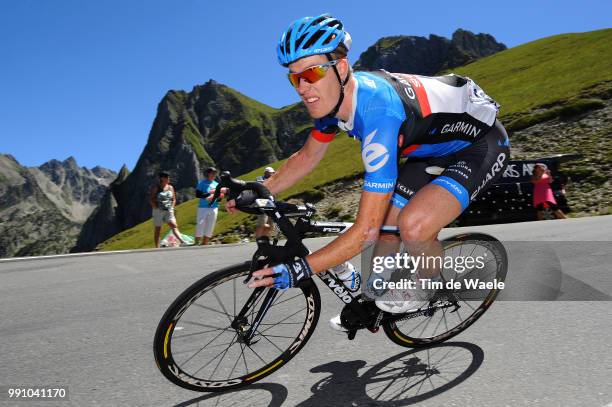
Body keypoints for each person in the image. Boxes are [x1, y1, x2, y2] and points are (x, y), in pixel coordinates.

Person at [231, 14, 510, 331]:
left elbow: (365, 230)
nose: (303, 88)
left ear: (341, 67)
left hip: (480, 146)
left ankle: (427, 285)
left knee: (413, 227)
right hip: (428, 149)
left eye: (311, 73)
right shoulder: (333, 102)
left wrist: (301, 269)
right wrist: (262, 189)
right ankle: (373, 301)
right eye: (295, 78)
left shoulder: (379, 114)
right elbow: (307, 156)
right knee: (388, 234)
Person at [151, 172, 187, 248]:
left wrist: (172, 208)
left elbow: (173, 199)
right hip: (158, 211)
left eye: (168, 177)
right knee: (158, 228)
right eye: (167, 177)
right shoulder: (156, 187)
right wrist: (155, 207)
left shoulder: (171, 187)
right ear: (162, 178)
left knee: (174, 225)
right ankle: (157, 247)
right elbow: (152, 199)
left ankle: (182, 242)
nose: (168, 179)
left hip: (169, 210)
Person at [195, 167, 226, 245]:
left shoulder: (217, 184)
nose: (214, 175)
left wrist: (219, 197)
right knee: (200, 224)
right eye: (212, 173)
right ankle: (196, 243)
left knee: (210, 225)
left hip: (214, 207)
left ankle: (205, 243)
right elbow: (198, 195)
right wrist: (210, 194)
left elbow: (219, 197)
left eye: (215, 173)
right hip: (203, 207)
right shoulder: (201, 183)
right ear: (208, 174)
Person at [255, 167, 276, 238]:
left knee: (271, 225)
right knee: (262, 223)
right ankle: (259, 237)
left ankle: (265, 237)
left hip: (272, 204)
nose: (273, 174)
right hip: (263, 204)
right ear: (267, 173)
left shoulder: (273, 180)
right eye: (272, 173)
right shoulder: (260, 179)